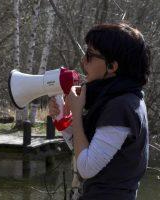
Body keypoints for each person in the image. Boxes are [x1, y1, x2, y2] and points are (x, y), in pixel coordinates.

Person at [49, 22, 150, 199]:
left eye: (89, 56)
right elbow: (84, 152)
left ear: (112, 66)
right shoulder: (123, 99)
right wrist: (65, 119)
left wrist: (78, 115)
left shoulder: (121, 107)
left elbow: (86, 168)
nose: (83, 61)